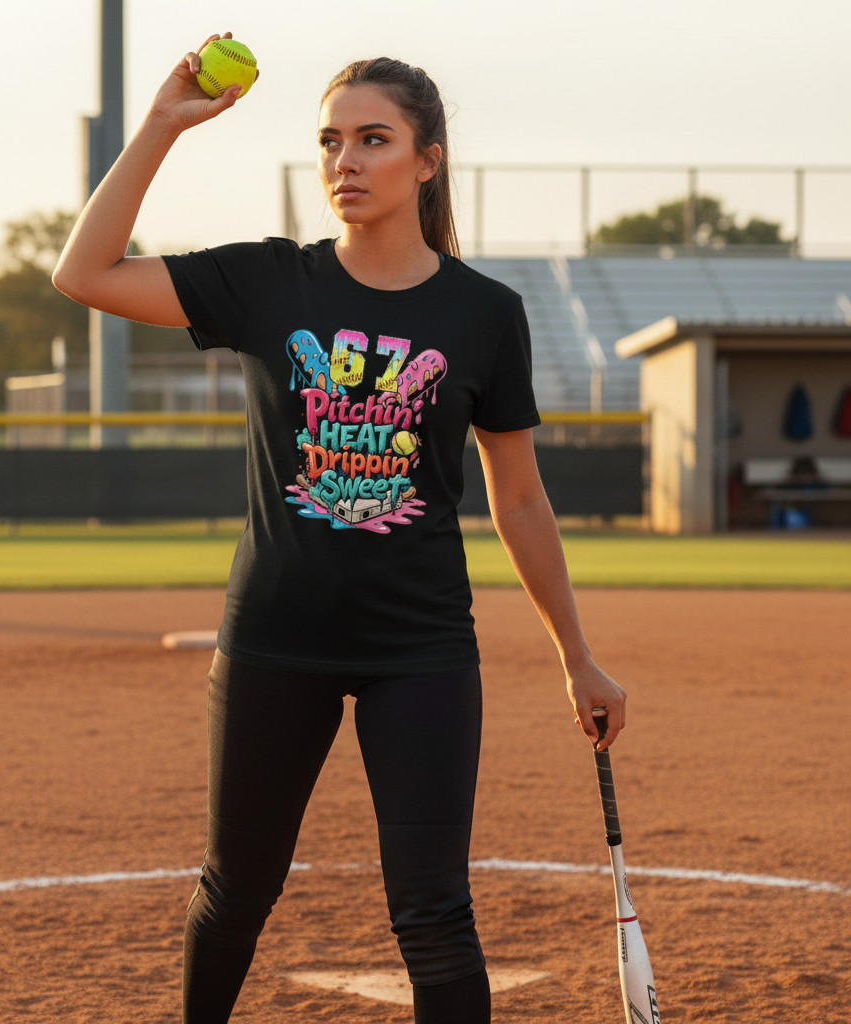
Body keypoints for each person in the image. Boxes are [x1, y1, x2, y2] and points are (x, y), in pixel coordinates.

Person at [53, 33, 627, 1024]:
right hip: (276, 636)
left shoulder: (485, 313)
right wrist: (159, 125)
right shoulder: (270, 282)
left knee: (434, 910)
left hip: (422, 645)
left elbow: (520, 497)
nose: (345, 163)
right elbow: (84, 272)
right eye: (329, 142)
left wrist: (575, 655)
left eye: (372, 139)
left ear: (427, 159)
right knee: (236, 891)